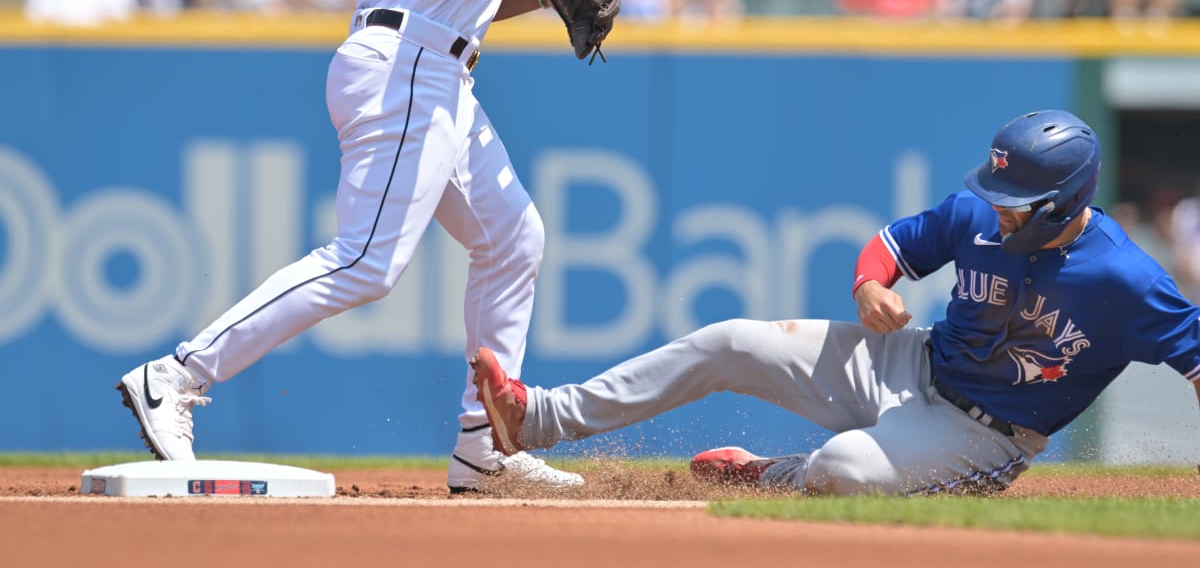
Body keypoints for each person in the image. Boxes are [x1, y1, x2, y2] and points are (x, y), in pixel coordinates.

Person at [116, 0, 650, 494]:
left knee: (513, 240)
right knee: (365, 262)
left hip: (422, 59)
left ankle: (484, 448)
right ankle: (178, 374)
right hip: (410, 69)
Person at [470, 109, 1200, 495]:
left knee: (841, 471)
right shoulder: (976, 215)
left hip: (988, 436)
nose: (998, 209)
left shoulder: (1125, 280)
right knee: (732, 340)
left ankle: (775, 474)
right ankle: (536, 418)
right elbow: (891, 243)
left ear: (1063, 200)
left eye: (1016, 201)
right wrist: (870, 285)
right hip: (912, 364)